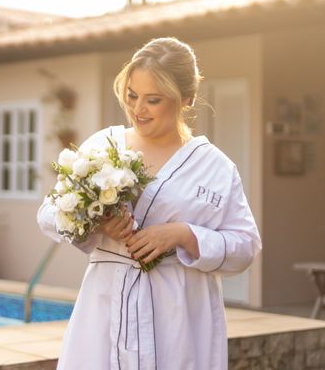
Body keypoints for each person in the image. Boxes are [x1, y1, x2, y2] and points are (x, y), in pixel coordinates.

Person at [37, 37, 262, 370]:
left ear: (186, 98)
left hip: (179, 313)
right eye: (132, 95)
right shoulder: (103, 145)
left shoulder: (215, 167)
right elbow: (49, 213)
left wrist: (183, 235)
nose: (137, 110)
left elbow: (246, 246)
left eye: (153, 100)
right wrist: (95, 221)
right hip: (105, 306)